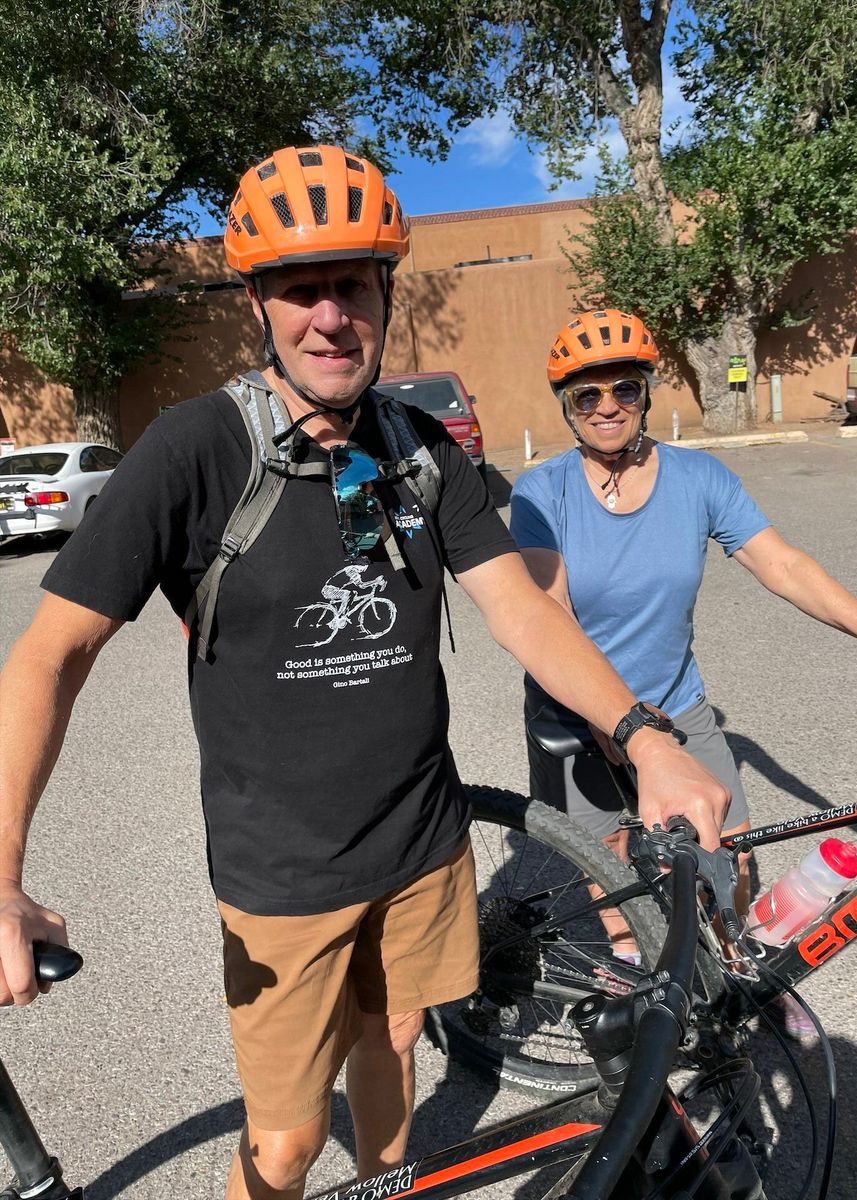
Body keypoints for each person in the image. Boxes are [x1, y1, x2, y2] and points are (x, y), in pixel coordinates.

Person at [0, 153, 729, 1200]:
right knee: (287, 1144)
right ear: (257, 304)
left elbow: (522, 607)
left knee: (392, 1041)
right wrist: (2, 874)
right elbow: (49, 654)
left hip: (424, 843)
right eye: (301, 288)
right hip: (284, 877)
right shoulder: (195, 450)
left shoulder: (418, 448)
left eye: (352, 283)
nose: (331, 316)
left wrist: (645, 736)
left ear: (387, 293)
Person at [510, 307, 857, 1022]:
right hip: (574, 707)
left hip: (675, 701)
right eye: (586, 395)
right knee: (612, 863)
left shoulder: (697, 477)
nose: (606, 407)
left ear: (646, 393)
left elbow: (783, 565)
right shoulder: (542, 492)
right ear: (566, 406)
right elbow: (549, 612)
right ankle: (633, 974)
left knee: (731, 854)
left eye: (624, 389)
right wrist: (610, 724)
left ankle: (739, 971)